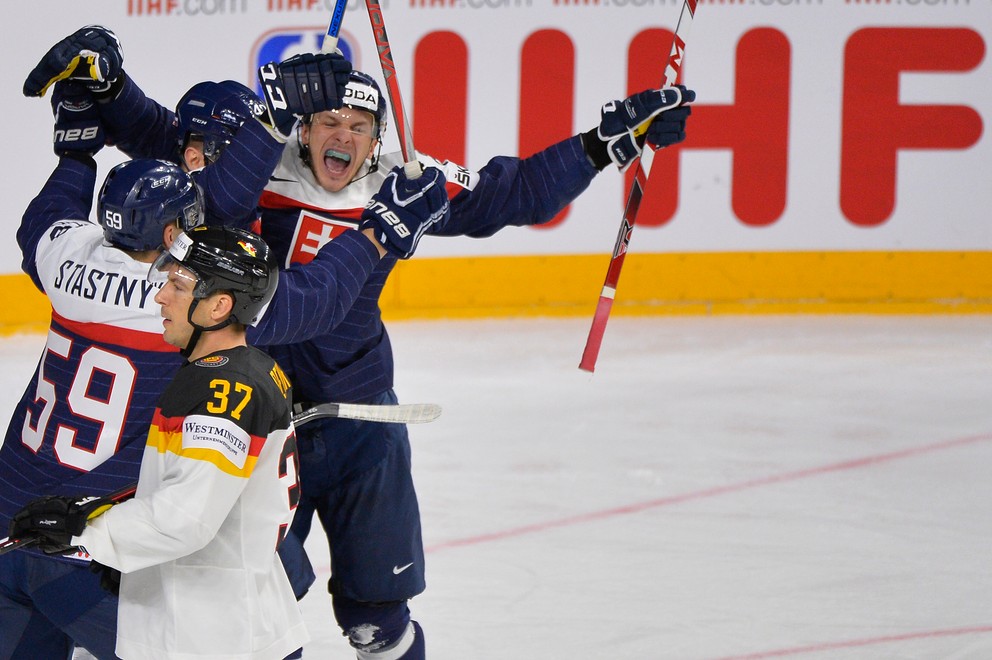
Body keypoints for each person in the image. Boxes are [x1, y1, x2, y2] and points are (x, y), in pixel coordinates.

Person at [23, 25, 694, 659]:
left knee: (377, 622)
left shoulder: (400, 186)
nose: (342, 136)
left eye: (360, 127)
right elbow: (169, 135)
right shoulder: (254, 171)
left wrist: (607, 142)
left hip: (355, 421)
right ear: (304, 128)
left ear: (377, 138)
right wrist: (112, 92)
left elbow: (508, 194)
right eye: (329, 122)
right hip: (248, 423)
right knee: (235, 598)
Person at [2, 45, 444, 659]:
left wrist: (76, 146)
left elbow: (50, 213)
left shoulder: (65, 254)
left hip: (12, 513)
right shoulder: (193, 298)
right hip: (89, 536)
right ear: (170, 237)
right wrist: (376, 230)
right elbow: (315, 298)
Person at [9, 225, 309, 660]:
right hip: (218, 618)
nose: (161, 297)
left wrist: (86, 533)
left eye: (179, 285)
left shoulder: (222, 391)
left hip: (214, 639)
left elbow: (183, 519)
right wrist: (113, 536)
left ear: (219, 306)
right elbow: (191, 494)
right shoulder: (242, 370)